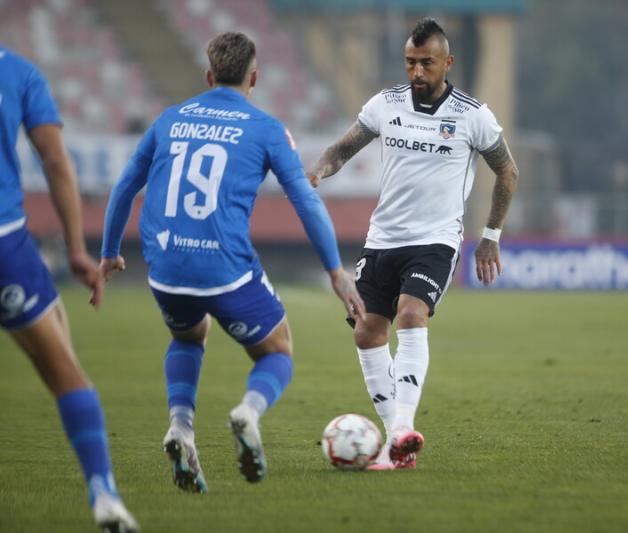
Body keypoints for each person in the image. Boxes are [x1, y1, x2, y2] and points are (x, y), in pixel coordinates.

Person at [98, 32, 365, 492]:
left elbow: (124, 187)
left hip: (164, 265)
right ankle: (248, 413)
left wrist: (108, 254)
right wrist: (335, 271)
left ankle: (181, 427)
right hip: (224, 266)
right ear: (254, 76)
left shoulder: (168, 119)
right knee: (278, 349)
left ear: (209, 75)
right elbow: (304, 198)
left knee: (187, 334)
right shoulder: (265, 128)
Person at [307, 18, 519, 470]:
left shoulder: (472, 115)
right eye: (410, 63)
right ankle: (396, 441)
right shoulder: (386, 105)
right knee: (367, 329)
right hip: (382, 239)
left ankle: (402, 426)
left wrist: (491, 237)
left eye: (427, 63)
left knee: (410, 313)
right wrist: (319, 172)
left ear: (448, 63)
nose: (417, 72)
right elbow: (341, 149)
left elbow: (508, 171)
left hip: (435, 241)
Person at [0, 47, 139, 531]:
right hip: (5, 245)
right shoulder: (17, 72)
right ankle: (104, 492)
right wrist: (78, 249)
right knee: (65, 372)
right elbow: (56, 162)